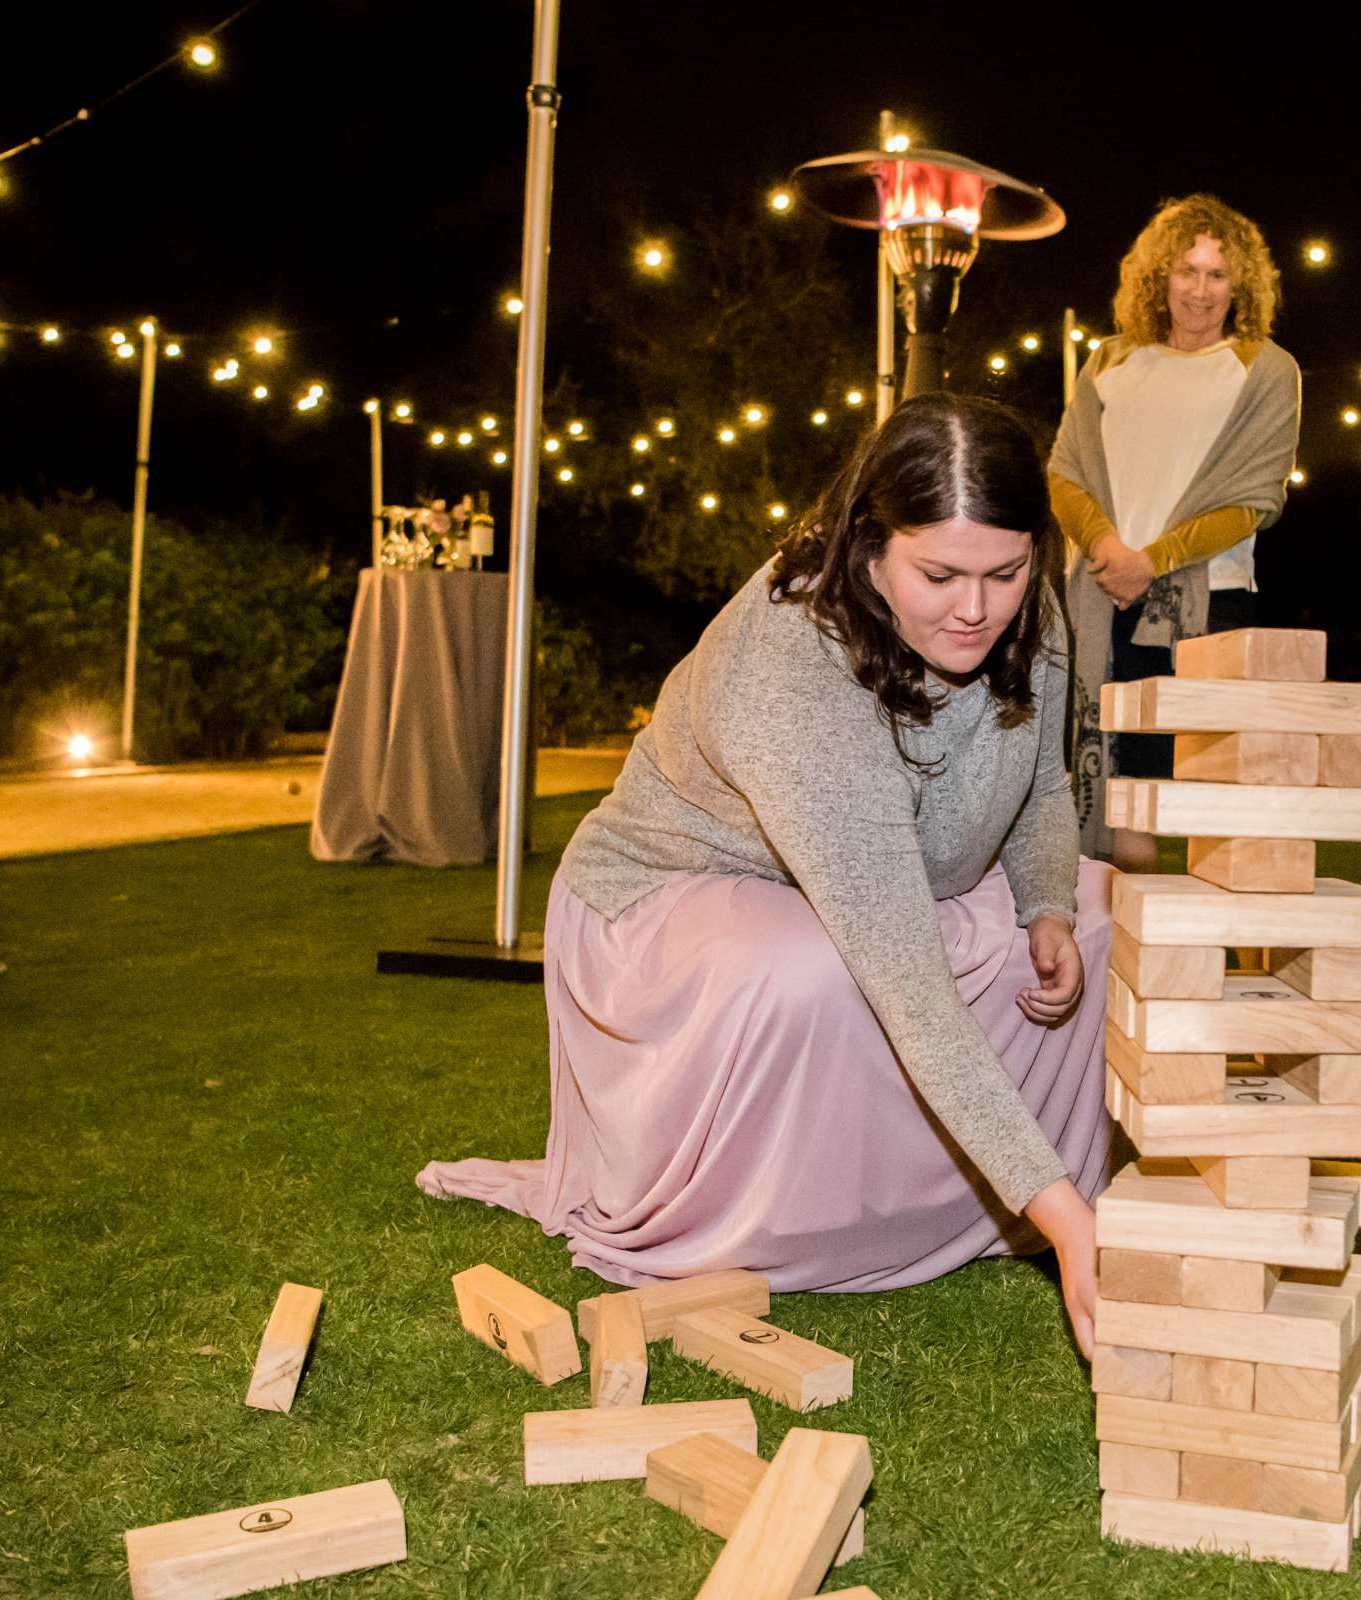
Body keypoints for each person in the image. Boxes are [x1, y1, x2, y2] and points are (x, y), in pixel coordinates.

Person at [418, 395, 1114, 1355]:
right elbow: (900, 973)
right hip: (671, 902)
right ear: (870, 547)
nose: (977, 609)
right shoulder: (795, 661)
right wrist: (1069, 1222)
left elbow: (1041, 781)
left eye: (1005, 571)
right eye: (939, 573)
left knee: (1104, 909)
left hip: (887, 885)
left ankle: (984, 1194)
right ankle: (813, 1221)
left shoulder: (1028, 609)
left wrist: (1045, 904)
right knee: (812, 969)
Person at [1052, 194, 1302, 864]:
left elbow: (1256, 499)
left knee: (1209, 799)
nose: (1199, 289)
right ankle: (1126, 954)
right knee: (1125, 793)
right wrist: (1109, 551)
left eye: (1217, 274)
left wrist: (1151, 561)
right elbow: (1064, 474)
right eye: (1185, 271)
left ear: (1241, 283)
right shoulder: (1109, 361)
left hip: (1213, 607)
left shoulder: (1266, 371)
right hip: (1109, 606)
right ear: (1156, 277)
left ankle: (1199, 956)